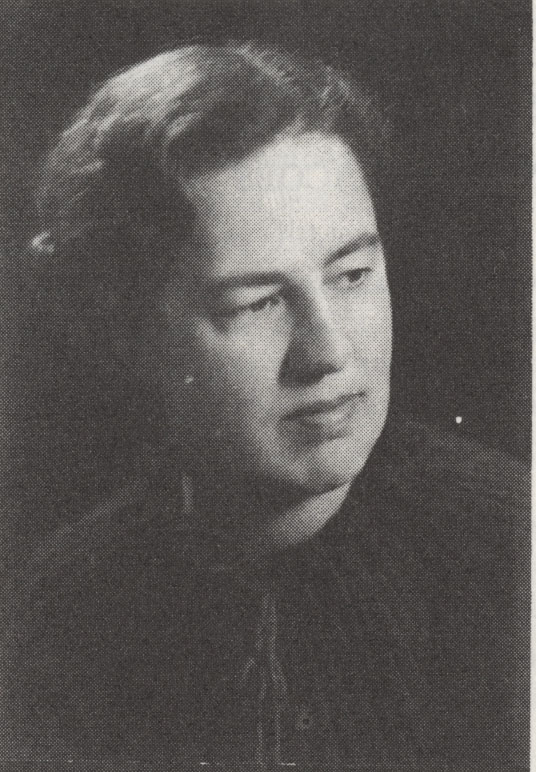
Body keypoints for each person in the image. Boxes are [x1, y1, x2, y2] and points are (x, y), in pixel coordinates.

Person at [2, 40, 529, 769]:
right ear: (126, 332)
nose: (328, 352)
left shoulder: (513, 558)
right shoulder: (60, 611)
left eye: (352, 275)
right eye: (258, 303)